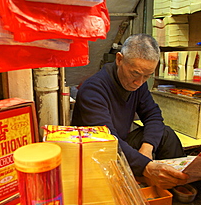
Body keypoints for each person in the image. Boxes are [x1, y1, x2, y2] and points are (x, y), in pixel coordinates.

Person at [71, 33, 189, 190]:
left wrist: (147, 148)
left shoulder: (138, 85)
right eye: (135, 73)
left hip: (119, 142)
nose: (139, 82)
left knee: (166, 134)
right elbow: (108, 139)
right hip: (94, 152)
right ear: (119, 59)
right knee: (121, 150)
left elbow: (153, 115)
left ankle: (176, 183)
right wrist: (146, 166)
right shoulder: (93, 89)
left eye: (147, 76)